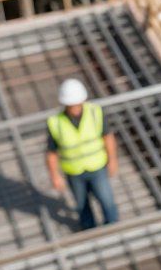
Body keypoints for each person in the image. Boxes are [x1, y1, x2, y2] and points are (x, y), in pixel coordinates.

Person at [46, 78, 119, 230]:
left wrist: (112, 160)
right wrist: (54, 175)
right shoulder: (55, 122)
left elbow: (108, 137)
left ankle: (113, 227)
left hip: (97, 166)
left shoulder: (95, 112)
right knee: (82, 204)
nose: (75, 108)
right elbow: (51, 152)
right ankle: (89, 229)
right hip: (74, 171)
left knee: (106, 200)